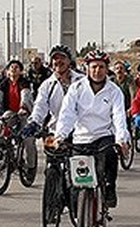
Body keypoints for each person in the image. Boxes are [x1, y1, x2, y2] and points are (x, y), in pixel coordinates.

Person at [48, 50, 130, 208]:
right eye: (93, 67)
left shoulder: (114, 91)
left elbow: (119, 116)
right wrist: (61, 136)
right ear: (87, 68)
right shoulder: (76, 88)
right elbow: (67, 114)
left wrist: (121, 140)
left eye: (101, 67)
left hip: (103, 136)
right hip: (81, 138)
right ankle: (79, 220)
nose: (97, 71)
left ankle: (109, 187)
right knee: (76, 184)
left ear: (107, 69)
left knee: (111, 156)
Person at [23, 45, 85, 137]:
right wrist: (34, 122)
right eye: (55, 58)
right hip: (56, 132)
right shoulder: (47, 85)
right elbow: (40, 105)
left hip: (82, 132)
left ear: (69, 61)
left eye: (62, 58)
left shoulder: (82, 81)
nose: (59, 61)